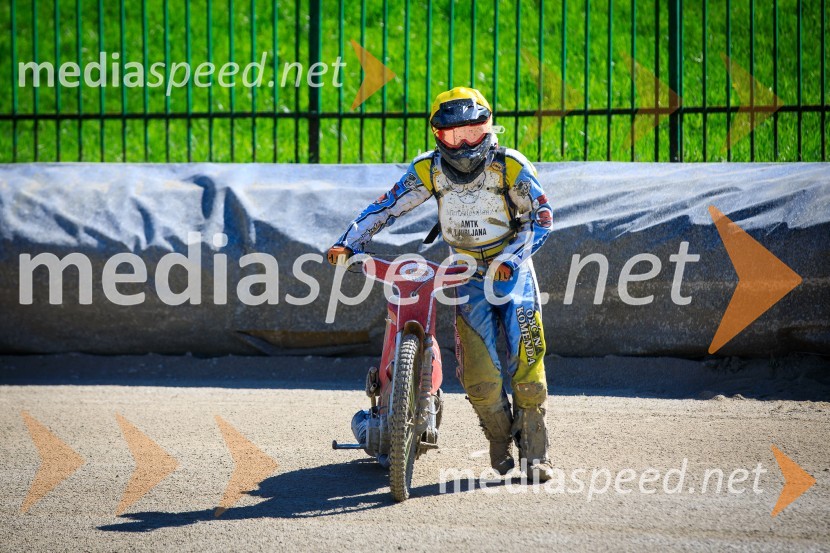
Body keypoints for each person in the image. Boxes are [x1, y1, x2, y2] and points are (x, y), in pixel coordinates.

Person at [327, 87, 555, 481]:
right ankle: (499, 442)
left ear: (489, 126)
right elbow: (385, 206)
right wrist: (349, 241)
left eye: (474, 131)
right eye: (454, 136)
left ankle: (536, 458)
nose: (465, 143)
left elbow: (543, 217)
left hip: (512, 272)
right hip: (463, 274)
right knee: (479, 380)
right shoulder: (428, 170)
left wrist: (512, 258)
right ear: (437, 135)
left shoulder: (511, 165)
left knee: (528, 367)